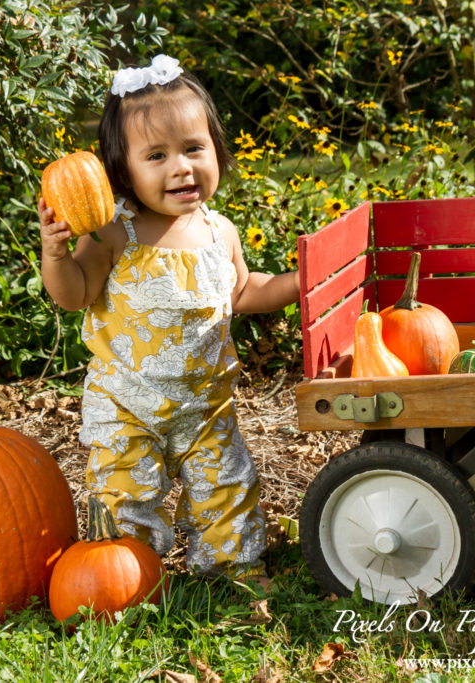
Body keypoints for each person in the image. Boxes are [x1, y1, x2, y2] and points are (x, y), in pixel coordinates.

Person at [38, 54, 299, 582]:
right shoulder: (115, 232)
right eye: (156, 155)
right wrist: (57, 256)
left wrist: (302, 280)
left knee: (228, 491)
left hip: (206, 407)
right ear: (123, 170)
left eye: (193, 148)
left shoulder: (217, 230)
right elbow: (74, 296)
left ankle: (232, 569)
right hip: (127, 406)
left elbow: (244, 290)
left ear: (216, 152)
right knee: (126, 499)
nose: (181, 167)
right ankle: (129, 577)